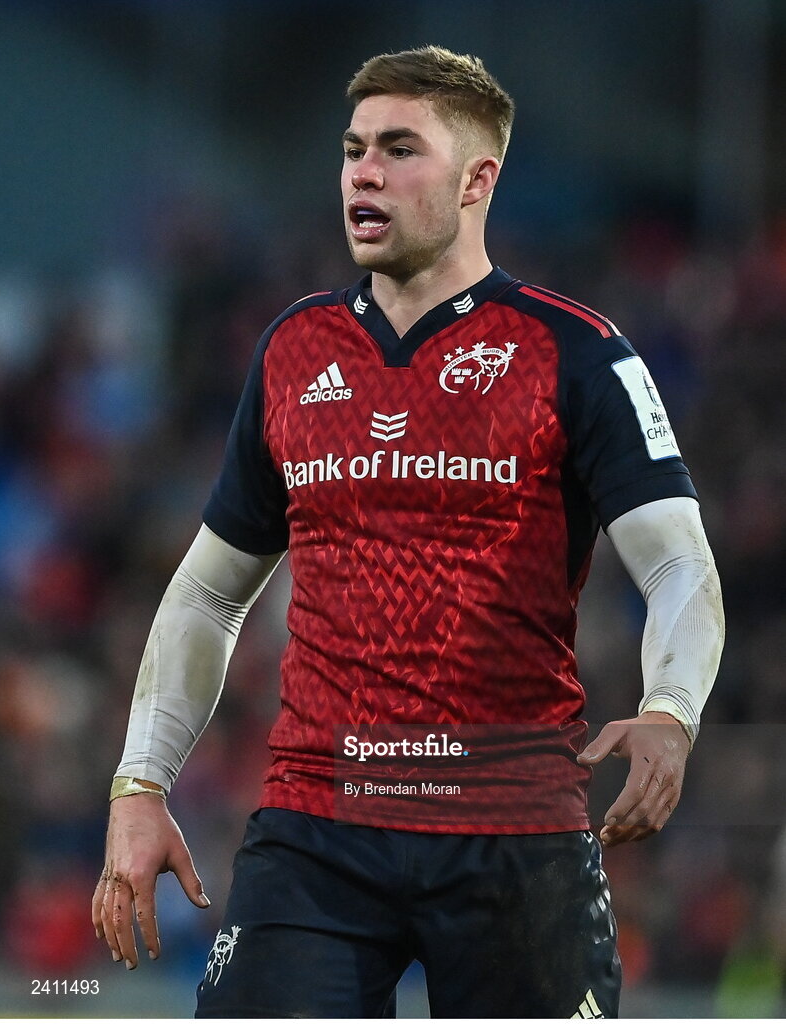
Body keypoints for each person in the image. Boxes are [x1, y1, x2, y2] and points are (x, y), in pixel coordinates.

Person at [92, 46, 725, 1018]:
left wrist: (671, 709)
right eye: (353, 149)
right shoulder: (295, 350)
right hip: (317, 827)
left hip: (511, 828)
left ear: (479, 178)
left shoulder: (577, 352)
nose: (364, 172)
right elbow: (212, 592)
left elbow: (679, 562)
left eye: (399, 149)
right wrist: (141, 783)